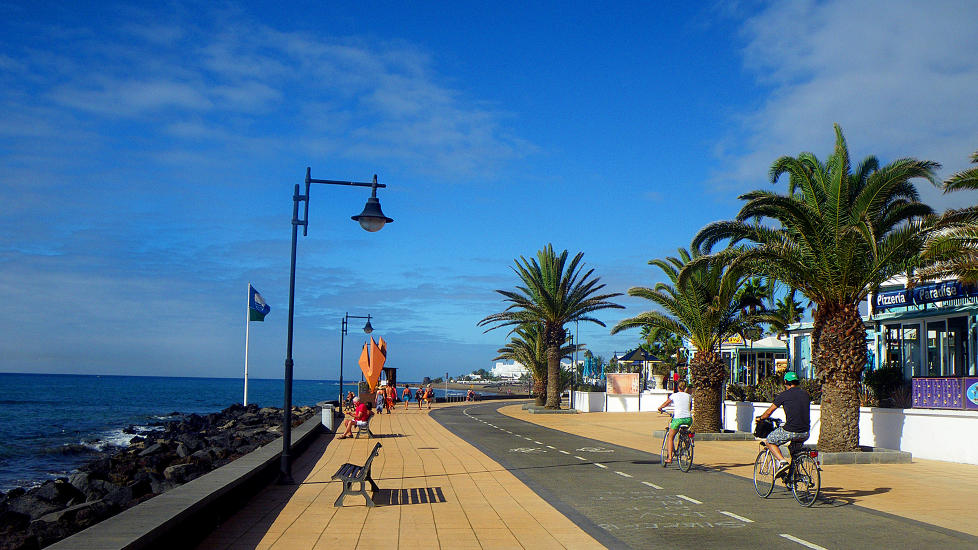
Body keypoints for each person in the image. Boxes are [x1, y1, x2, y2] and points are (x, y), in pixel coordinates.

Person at [756, 371, 811, 477]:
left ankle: (782, 462)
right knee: (794, 451)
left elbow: (769, 412)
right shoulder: (805, 394)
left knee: (770, 441)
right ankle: (793, 476)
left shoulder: (784, 395)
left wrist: (760, 418)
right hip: (805, 432)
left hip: (790, 430)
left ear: (786, 382)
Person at [656, 380, 692, 464]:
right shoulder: (689, 396)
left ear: (678, 387)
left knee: (670, 437)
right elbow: (689, 408)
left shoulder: (674, 395)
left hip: (678, 419)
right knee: (685, 432)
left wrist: (660, 408)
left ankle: (669, 458)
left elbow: (666, 403)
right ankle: (686, 446)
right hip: (688, 419)